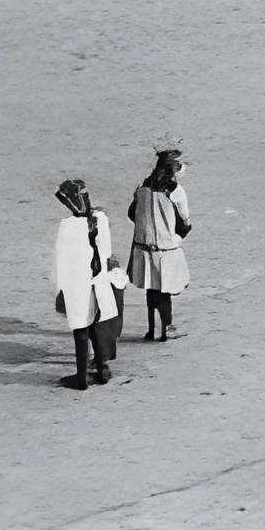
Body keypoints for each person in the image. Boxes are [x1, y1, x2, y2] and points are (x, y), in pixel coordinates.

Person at [50, 179, 125, 388]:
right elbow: (107, 252)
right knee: (96, 324)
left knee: (80, 329)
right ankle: (102, 368)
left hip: (77, 285)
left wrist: (60, 290)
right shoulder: (100, 219)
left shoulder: (67, 226)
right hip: (99, 281)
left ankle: (81, 377)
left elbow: (62, 262)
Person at [125, 149, 192, 342]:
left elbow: (132, 214)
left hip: (144, 246)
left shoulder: (143, 187)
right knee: (164, 289)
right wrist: (177, 236)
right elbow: (185, 221)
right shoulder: (176, 191)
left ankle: (152, 330)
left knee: (151, 288)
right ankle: (166, 330)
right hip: (166, 248)